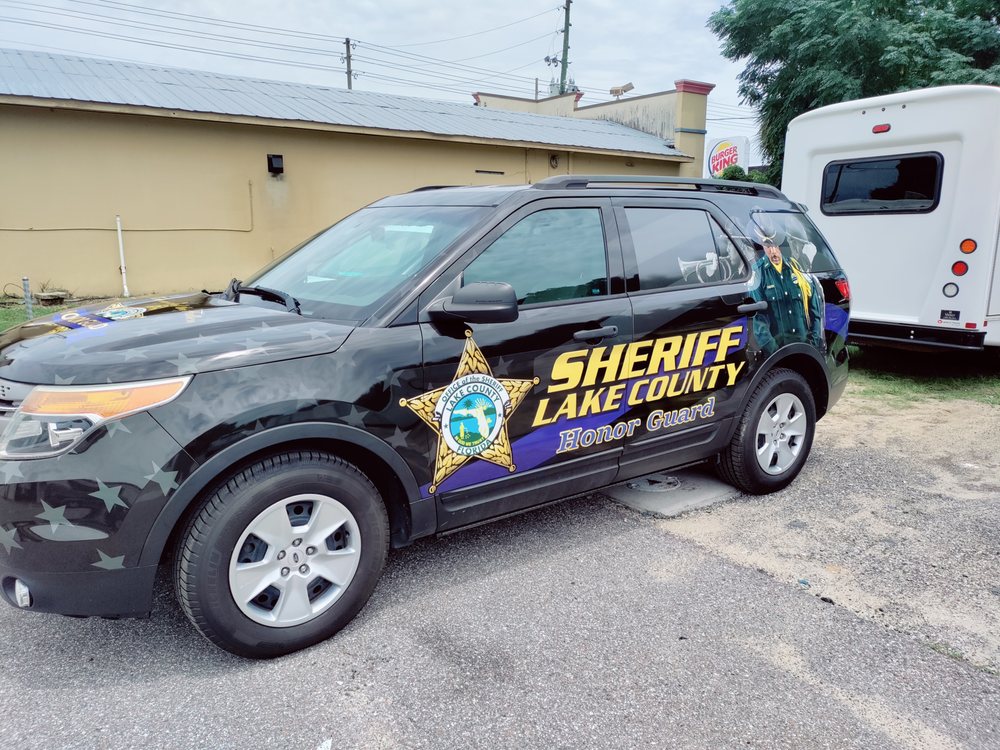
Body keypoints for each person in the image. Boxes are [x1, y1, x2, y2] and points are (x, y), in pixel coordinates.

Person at [749, 216, 825, 354]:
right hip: (778, 353)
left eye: (775, 245)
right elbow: (759, 322)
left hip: (805, 349)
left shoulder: (796, 268)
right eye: (767, 246)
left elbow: (814, 309)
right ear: (762, 246)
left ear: (780, 244)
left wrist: (813, 343)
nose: (773, 251)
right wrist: (775, 352)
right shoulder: (758, 274)